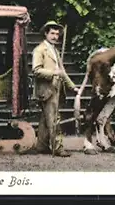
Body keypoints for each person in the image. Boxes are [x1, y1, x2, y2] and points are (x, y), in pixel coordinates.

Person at [32, 21, 79, 157]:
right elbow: (36, 70)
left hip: (56, 89)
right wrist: (53, 73)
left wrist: (73, 87)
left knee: (45, 119)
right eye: (52, 33)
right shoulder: (40, 50)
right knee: (54, 120)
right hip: (46, 90)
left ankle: (41, 146)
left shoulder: (55, 50)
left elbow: (62, 71)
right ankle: (58, 148)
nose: (55, 36)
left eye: (57, 34)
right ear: (46, 34)